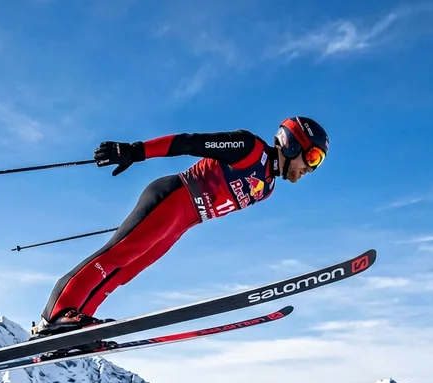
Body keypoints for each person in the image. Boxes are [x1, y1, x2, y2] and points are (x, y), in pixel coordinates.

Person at [31, 116, 330, 337]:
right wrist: (135, 151)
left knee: (126, 271)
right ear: (292, 143)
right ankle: (56, 314)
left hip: (185, 221)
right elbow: (189, 142)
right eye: (312, 157)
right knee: (115, 256)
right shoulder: (249, 148)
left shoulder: (267, 188)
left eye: (318, 163)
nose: (310, 168)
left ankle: (74, 327)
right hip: (174, 197)